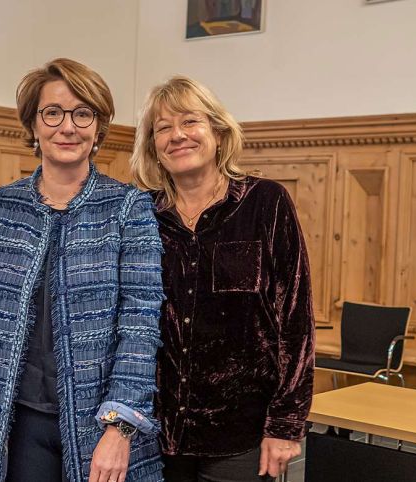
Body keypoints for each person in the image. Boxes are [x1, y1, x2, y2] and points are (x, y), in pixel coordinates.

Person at [0, 58, 164, 482]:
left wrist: (121, 425)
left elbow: (141, 323)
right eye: (53, 113)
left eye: (83, 114)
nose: (68, 127)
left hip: (101, 423)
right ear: (33, 125)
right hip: (14, 422)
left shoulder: (128, 209)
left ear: (98, 128)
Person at [129, 75, 315, 482]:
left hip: (241, 434)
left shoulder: (266, 202)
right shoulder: (140, 214)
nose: (178, 135)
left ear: (217, 131)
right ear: (153, 148)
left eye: (190, 122)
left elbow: (295, 322)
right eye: (163, 128)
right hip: (155, 433)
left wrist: (285, 424)